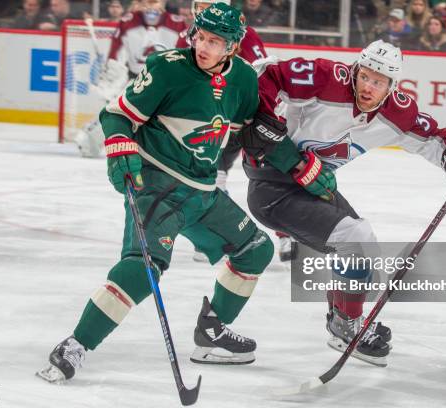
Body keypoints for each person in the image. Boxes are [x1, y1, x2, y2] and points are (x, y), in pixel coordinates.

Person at [37, 3, 275, 383]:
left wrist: (286, 157)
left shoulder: (244, 79)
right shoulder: (168, 67)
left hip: (202, 191)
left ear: (232, 47)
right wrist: (119, 146)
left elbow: (249, 129)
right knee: (142, 268)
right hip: (157, 186)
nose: (204, 46)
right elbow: (117, 114)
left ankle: (211, 331)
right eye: (201, 36)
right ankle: (76, 344)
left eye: (215, 41)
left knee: (257, 249)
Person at [239, 40, 446, 366]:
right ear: (356, 70)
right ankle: (346, 326)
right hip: (272, 188)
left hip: (314, 189)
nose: (368, 87)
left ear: (391, 86)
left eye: (379, 81)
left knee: (361, 249)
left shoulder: (397, 112)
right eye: (365, 76)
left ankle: (342, 320)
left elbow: (432, 135)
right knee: (356, 239)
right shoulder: (324, 77)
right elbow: (270, 76)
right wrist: (265, 119)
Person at [175, 0, 273, 262]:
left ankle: (283, 237)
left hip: (230, 118)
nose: (206, 11)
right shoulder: (188, 35)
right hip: (197, 121)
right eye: (202, 5)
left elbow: (259, 74)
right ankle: (211, 236)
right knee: (202, 178)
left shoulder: (245, 34)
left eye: (211, 5)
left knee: (261, 175)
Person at [73, 0, 187, 157]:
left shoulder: (177, 24)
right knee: (119, 113)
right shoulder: (128, 21)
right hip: (137, 81)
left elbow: (184, 57)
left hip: (165, 84)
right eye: (147, 1)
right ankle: (92, 140)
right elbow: (116, 52)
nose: (151, 5)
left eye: (155, 1)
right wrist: (111, 75)